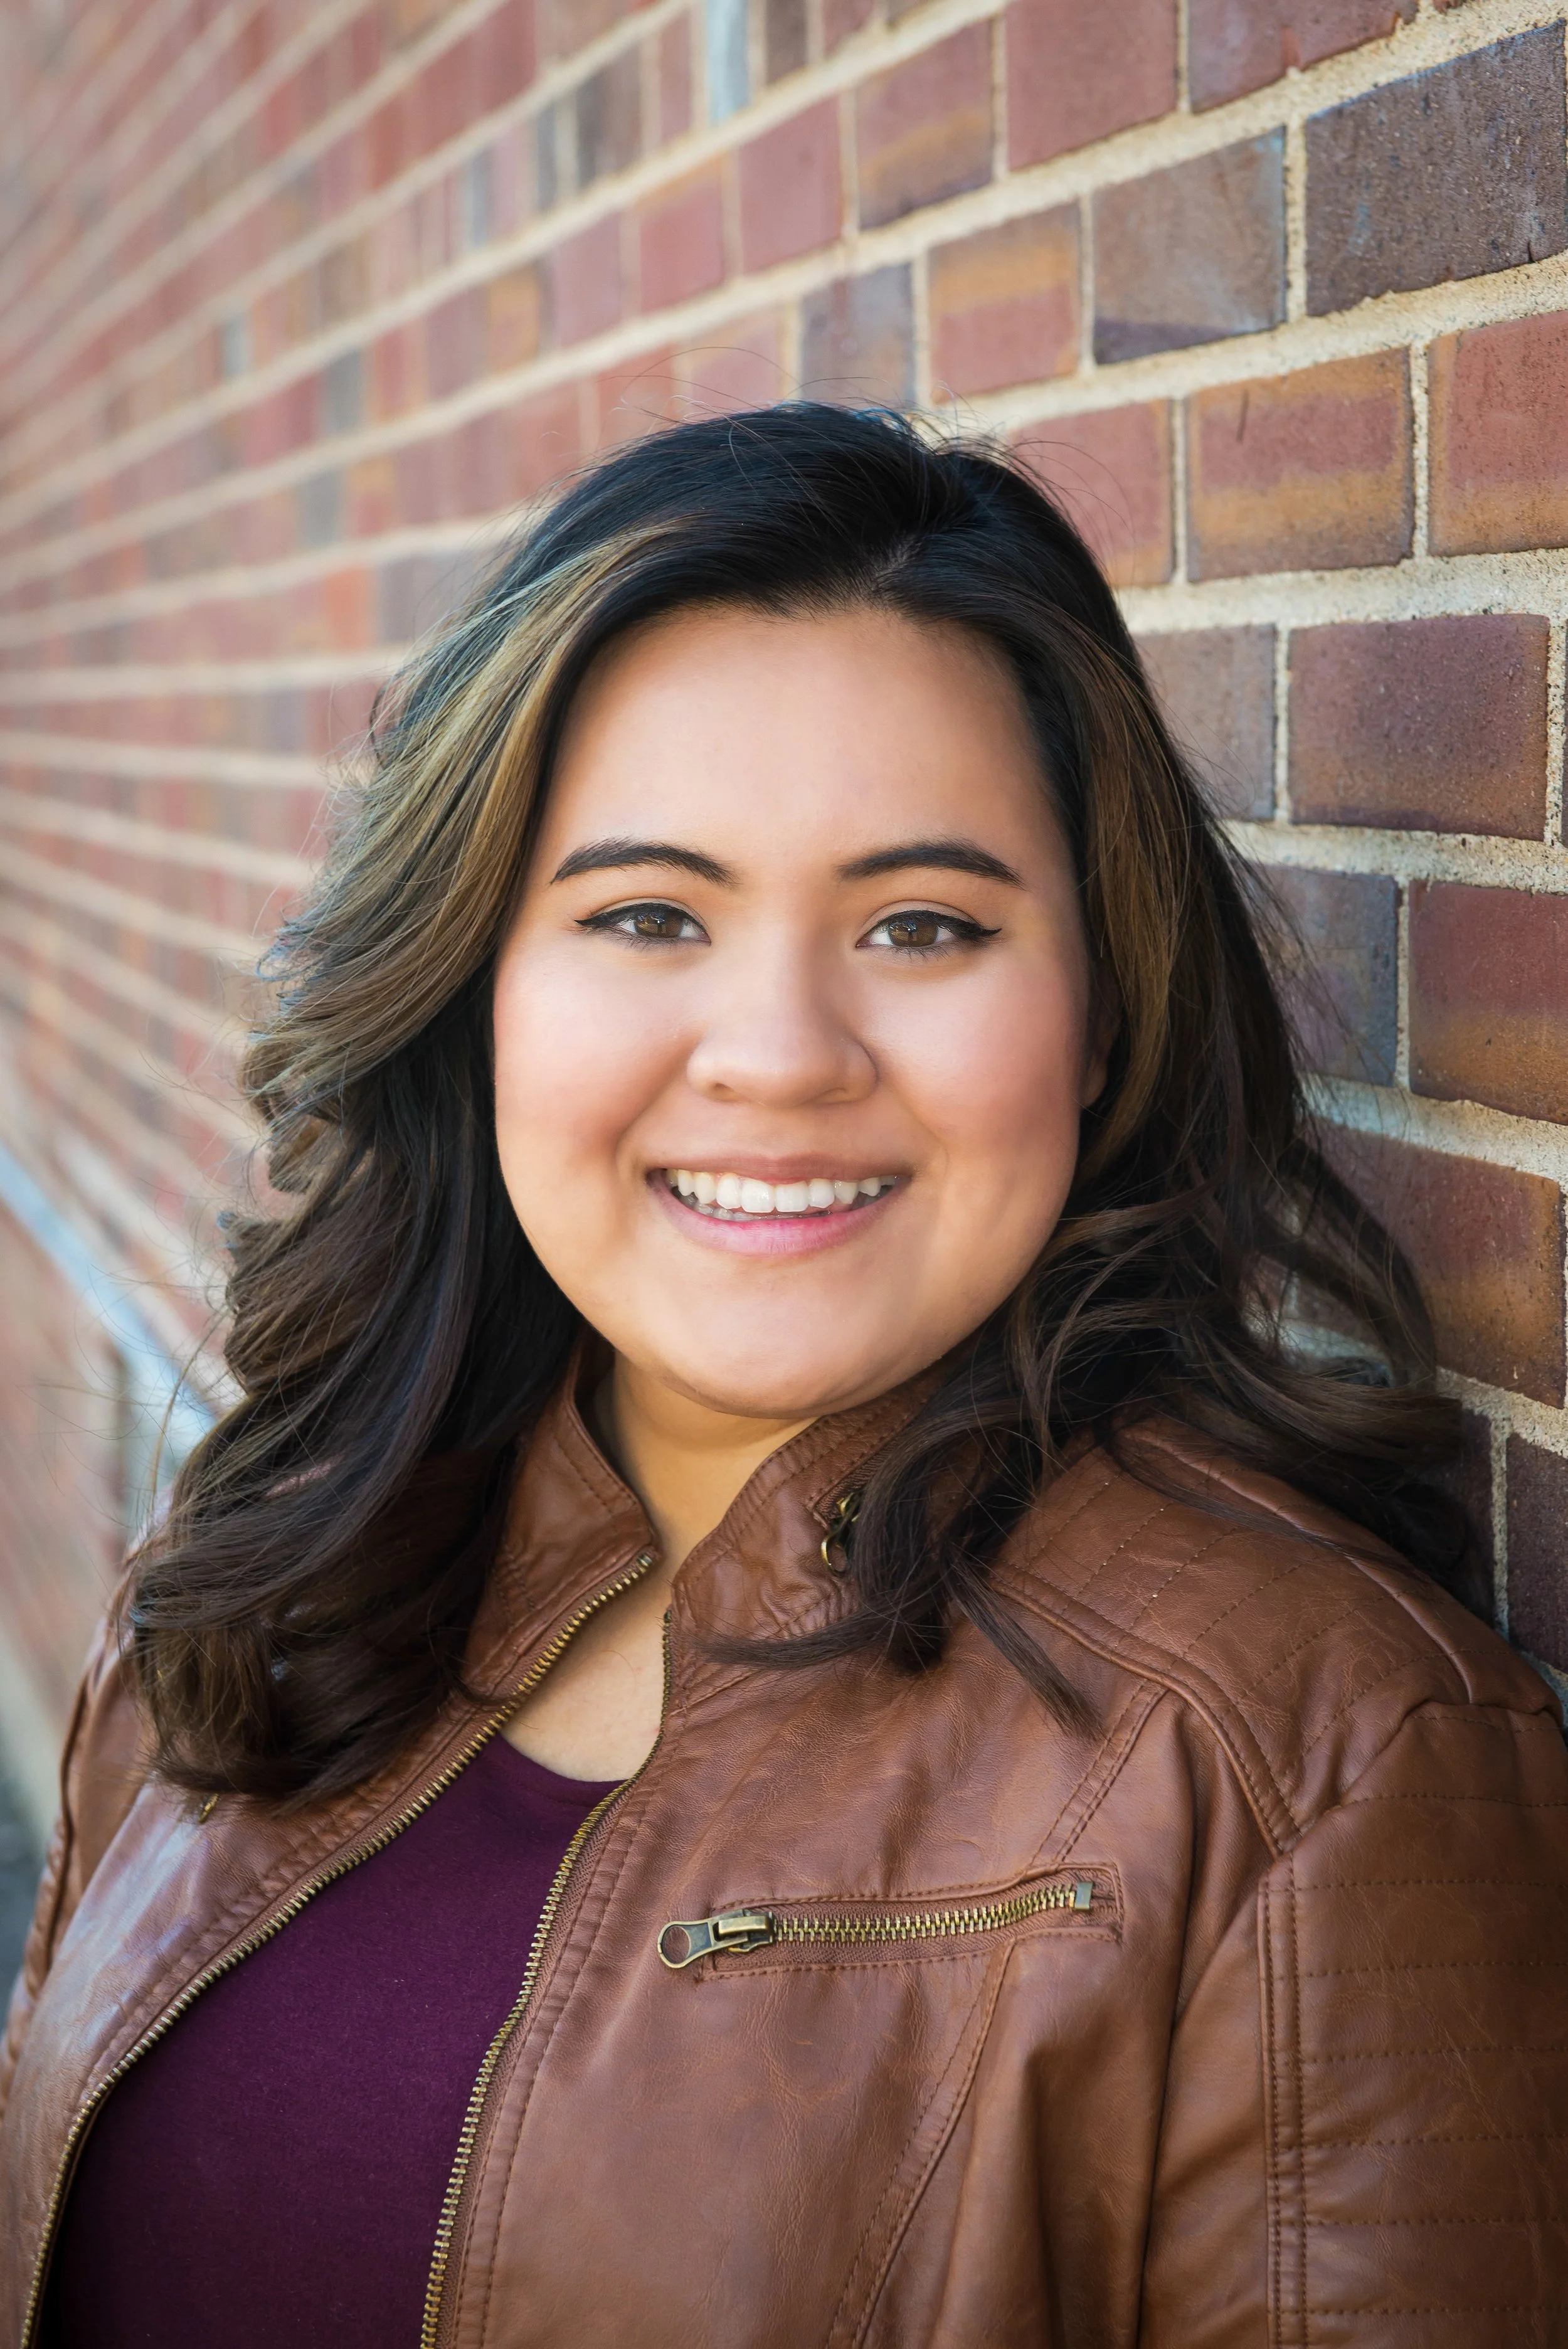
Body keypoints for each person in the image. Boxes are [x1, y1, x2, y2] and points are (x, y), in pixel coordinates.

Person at [2, 406, 1564, 2349]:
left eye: (923, 924)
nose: (777, 1051)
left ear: (1096, 1014)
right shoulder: (260, 1573)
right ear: (472, 992)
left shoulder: (1311, 1769)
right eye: (647, 913)